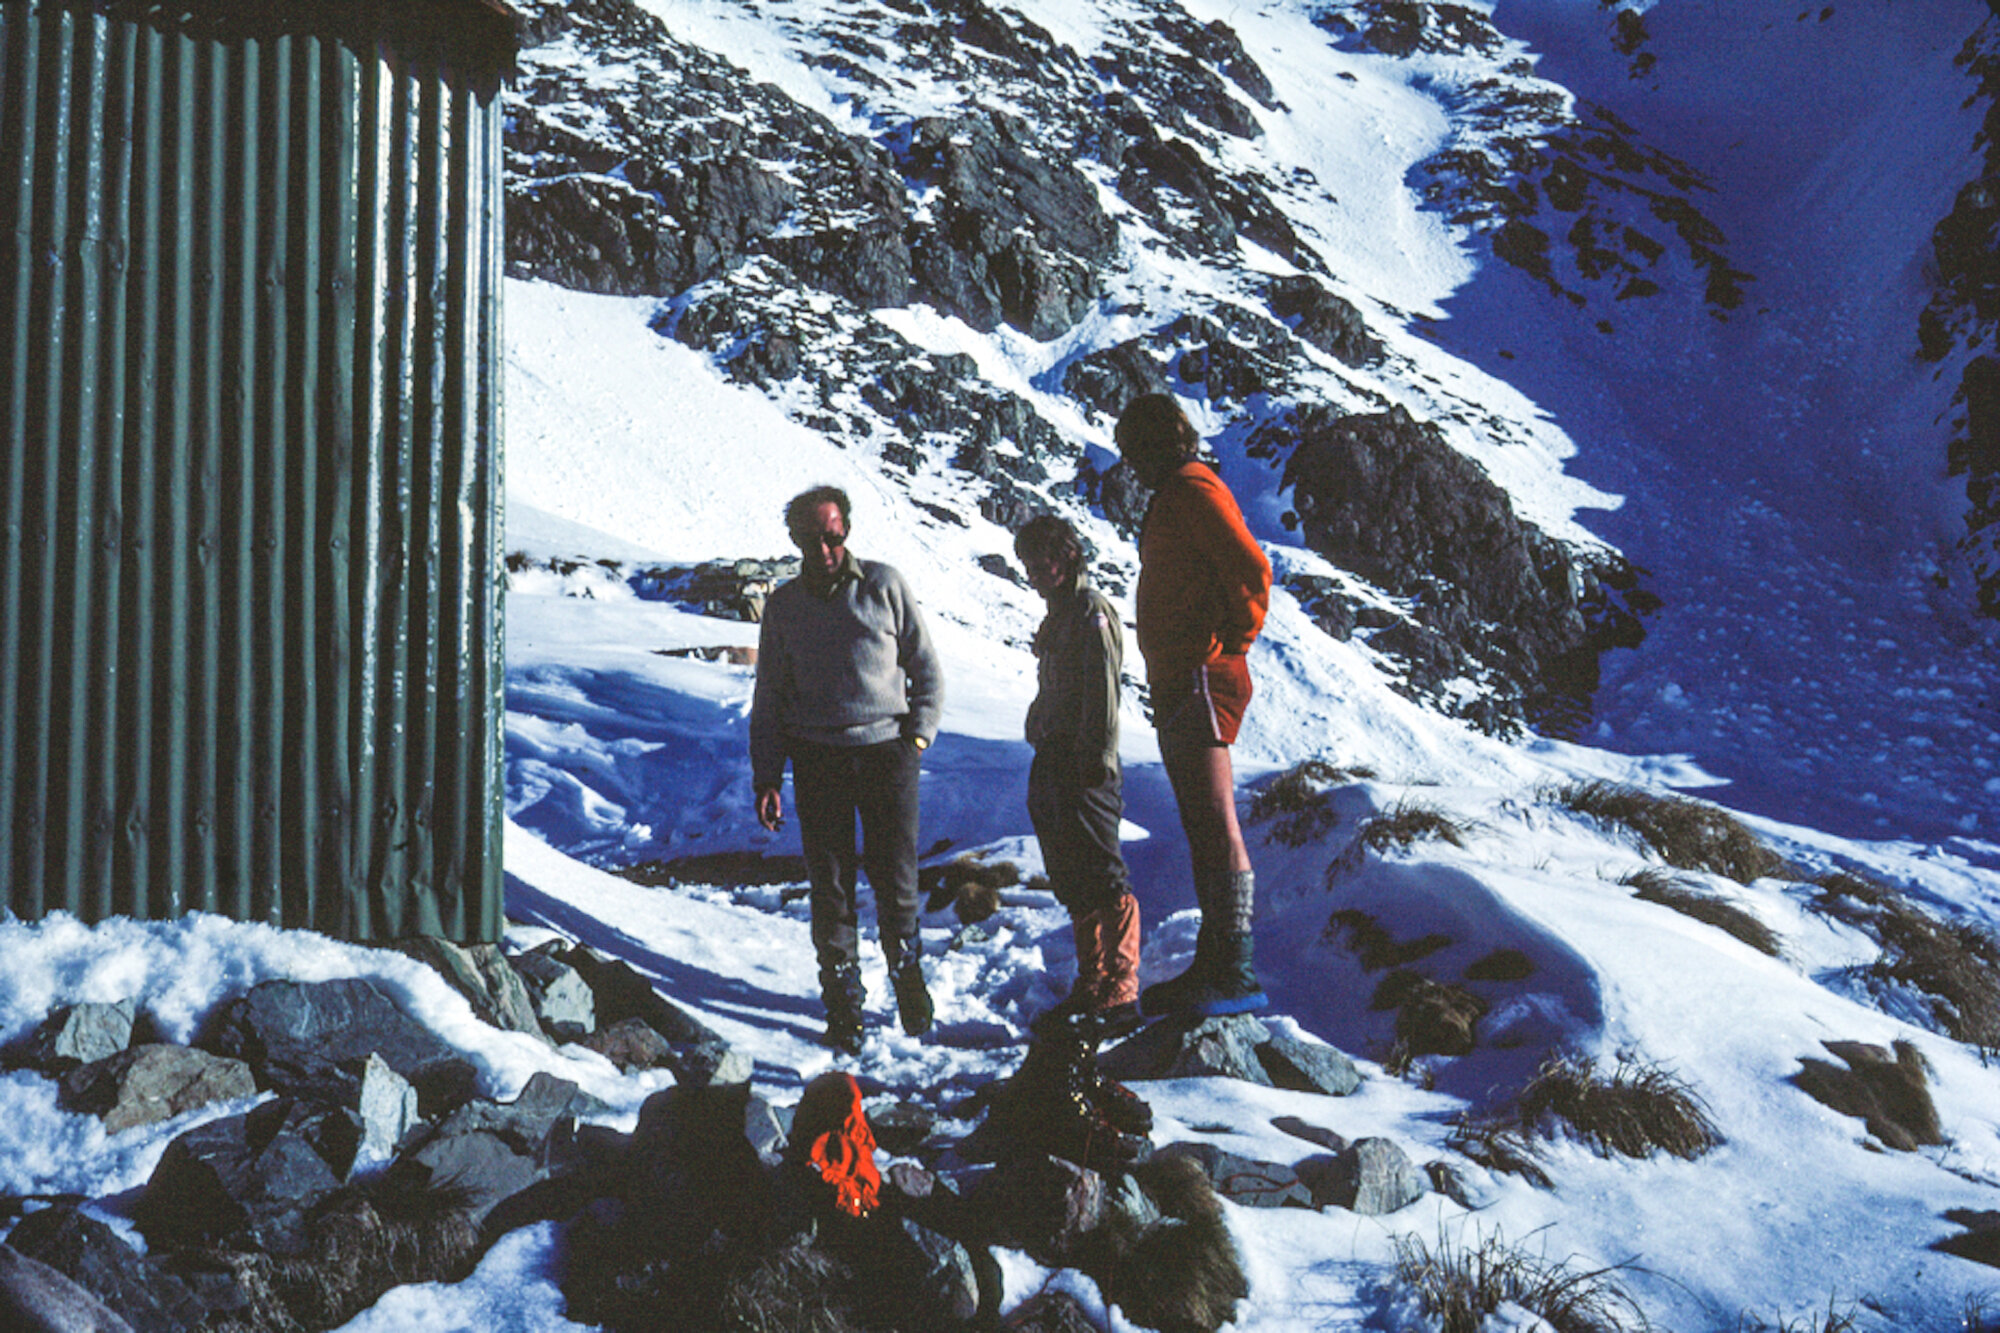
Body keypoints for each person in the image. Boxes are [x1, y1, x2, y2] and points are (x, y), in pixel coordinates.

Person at [751, 486, 944, 1054]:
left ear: (847, 532)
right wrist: (767, 775)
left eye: (834, 536)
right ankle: (843, 1003)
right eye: (813, 539)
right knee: (830, 886)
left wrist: (917, 736)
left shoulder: (884, 585)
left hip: (888, 752)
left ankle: (907, 978)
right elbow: (771, 697)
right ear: (795, 540)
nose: (826, 548)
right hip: (817, 757)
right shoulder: (784, 607)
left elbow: (926, 667)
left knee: (896, 877)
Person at [1114, 393, 1273, 1017]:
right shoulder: (1177, 491)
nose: (1130, 463)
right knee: (1202, 821)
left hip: (1202, 675)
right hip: (1183, 678)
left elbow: (1252, 568)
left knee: (1214, 818)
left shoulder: (1191, 488)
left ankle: (1234, 966)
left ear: (1160, 442)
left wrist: (1230, 641)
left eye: (1135, 450)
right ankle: (1217, 960)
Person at [1015, 514, 1143, 1039]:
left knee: (1101, 870)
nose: (1033, 573)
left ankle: (1121, 986)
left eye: (1039, 562)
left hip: (1084, 763)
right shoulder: (1061, 614)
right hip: (1055, 756)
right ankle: (1092, 981)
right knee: (1072, 873)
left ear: (1066, 556)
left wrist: (1096, 758)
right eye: (1027, 565)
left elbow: (1104, 697)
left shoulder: (1091, 612)